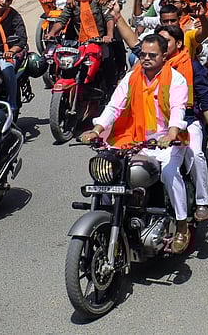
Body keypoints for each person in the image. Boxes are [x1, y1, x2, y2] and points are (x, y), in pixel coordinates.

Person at [79, 34, 191, 253]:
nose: (146, 58)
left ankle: (181, 225)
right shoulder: (131, 78)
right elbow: (114, 107)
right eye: (143, 54)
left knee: (170, 173)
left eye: (152, 55)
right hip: (133, 139)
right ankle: (107, 215)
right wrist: (96, 130)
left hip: (166, 142)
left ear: (164, 56)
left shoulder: (176, 79)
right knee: (107, 168)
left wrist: (171, 134)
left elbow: (178, 110)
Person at [155, 25, 208, 222]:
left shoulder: (193, 67)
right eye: (159, 41)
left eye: (166, 41)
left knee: (196, 154)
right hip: (157, 122)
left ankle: (202, 202)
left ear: (178, 44)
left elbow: (206, 101)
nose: (161, 45)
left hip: (188, 121)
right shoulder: (149, 67)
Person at [46, 0, 118, 88]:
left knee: (107, 61)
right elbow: (62, 20)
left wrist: (109, 35)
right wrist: (52, 33)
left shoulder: (99, 0)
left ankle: (110, 92)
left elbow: (109, 18)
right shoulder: (73, 1)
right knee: (62, 62)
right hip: (78, 44)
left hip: (98, 42)